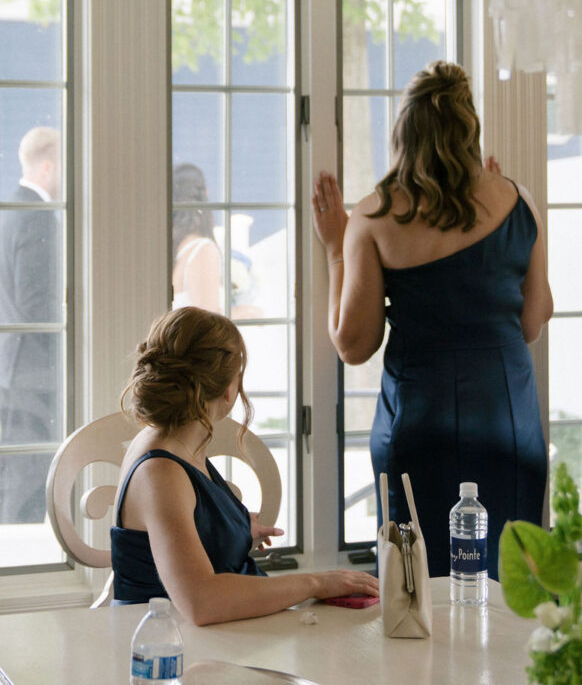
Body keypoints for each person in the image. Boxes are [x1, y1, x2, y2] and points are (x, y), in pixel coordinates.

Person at [311, 61, 552, 578]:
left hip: (420, 425)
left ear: (404, 132)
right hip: (508, 425)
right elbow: (533, 322)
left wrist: (336, 247)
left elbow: (354, 345)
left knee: (415, 595)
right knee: (513, 590)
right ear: (470, 129)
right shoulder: (517, 199)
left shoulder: (375, 217)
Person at [112, 305, 377, 623]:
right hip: (165, 649)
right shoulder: (160, 470)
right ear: (227, 389)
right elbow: (202, 602)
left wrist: (230, 529)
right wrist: (316, 582)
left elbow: (181, 526)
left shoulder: (175, 439)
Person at [0, 126, 62, 523]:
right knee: (29, 477)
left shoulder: (9, 210)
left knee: (15, 475)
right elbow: (34, 302)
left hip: (11, 365)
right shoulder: (37, 217)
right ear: (47, 166)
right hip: (34, 371)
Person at [172, 163, 222, 312]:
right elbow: (208, 321)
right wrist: (243, 313)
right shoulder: (201, 250)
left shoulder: (176, 250)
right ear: (205, 194)